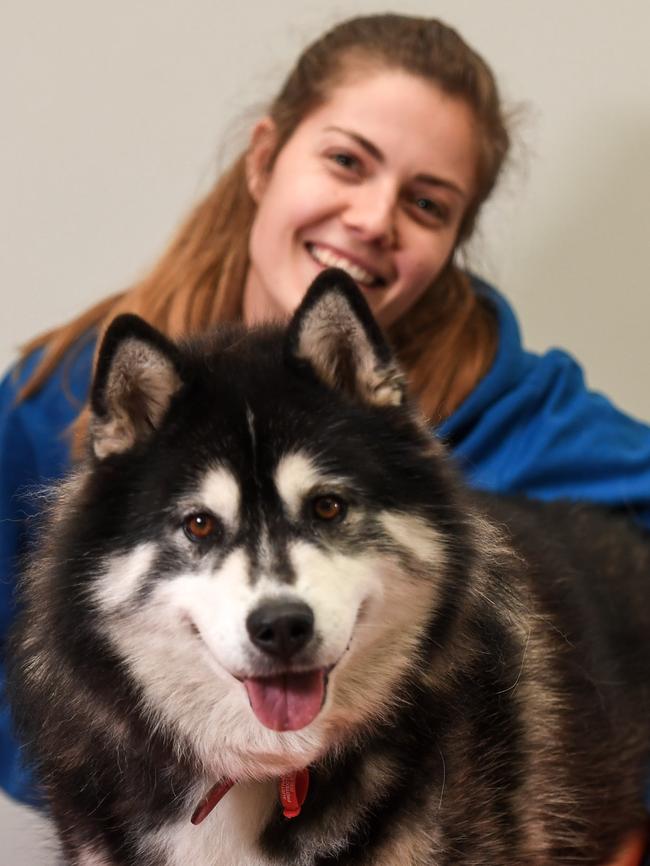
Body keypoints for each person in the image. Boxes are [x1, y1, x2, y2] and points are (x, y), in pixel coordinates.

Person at [1, 12, 649, 863]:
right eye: (347, 160)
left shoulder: (518, 407)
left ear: (455, 239)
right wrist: (117, 747)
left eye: (426, 202)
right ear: (265, 157)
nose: (375, 218)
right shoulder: (54, 398)